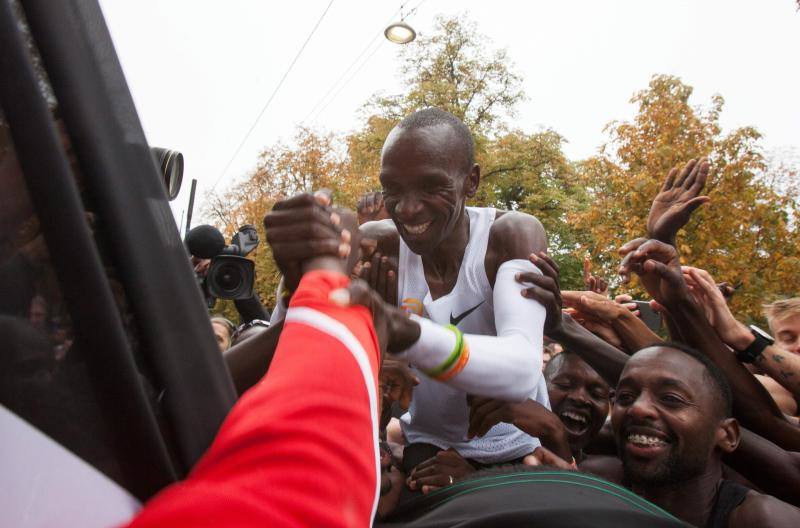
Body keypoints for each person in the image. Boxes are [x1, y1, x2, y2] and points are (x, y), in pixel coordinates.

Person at [357, 107, 551, 477]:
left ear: (471, 181)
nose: (408, 209)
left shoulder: (509, 235)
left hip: (518, 444)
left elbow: (522, 369)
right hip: (428, 444)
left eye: (432, 186)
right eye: (392, 190)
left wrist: (404, 335)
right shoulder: (376, 247)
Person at [586, 343, 800, 527]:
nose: (638, 408)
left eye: (671, 398)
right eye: (625, 397)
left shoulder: (764, 520)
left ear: (728, 435)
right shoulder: (590, 489)